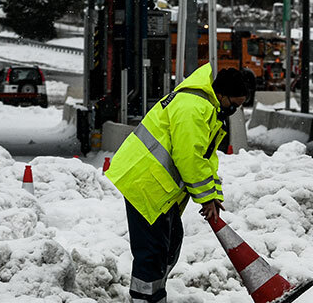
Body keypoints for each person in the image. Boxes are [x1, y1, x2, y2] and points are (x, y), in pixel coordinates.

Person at [105, 65, 253, 303]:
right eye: (233, 105)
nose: (233, 110)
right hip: (145, 182)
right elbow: (188, 158)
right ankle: (145, 298)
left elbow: (206, 158)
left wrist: (212, 195)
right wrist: (205, 197)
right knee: (153, 251)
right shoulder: (193, 108)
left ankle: (153, 295)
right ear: (221, 94)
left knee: (170, 243)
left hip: (157, 185)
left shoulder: (208, 109)